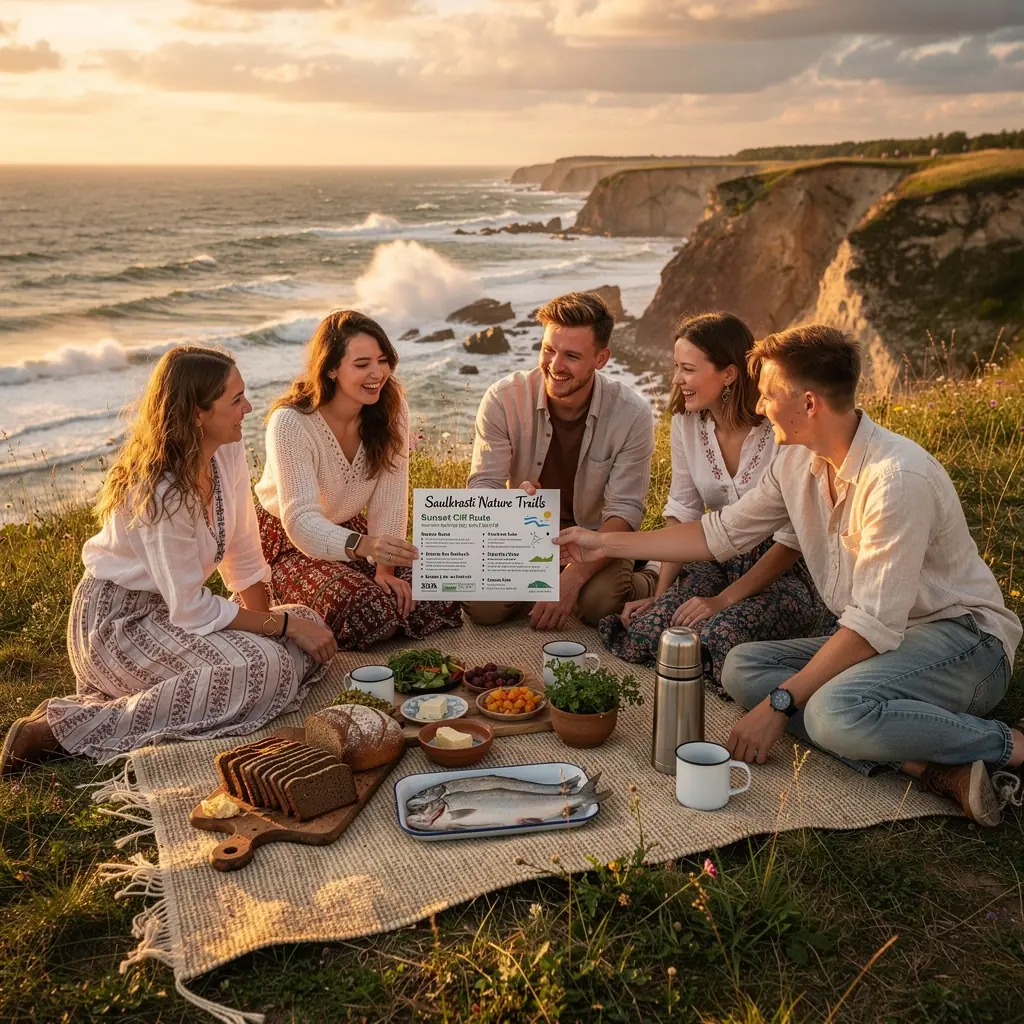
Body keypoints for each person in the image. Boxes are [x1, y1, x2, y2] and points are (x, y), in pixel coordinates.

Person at [556, 325, 1023, 826]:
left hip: (964, 644)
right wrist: (601, 541)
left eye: (770, 395)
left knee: (827, 713)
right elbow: (720, 534)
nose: (758, 407)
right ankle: (926, 764)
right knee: (739, 669)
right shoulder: (800, 461)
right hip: (888, 642)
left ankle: (1010, 745)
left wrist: (781, 704)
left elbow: (871, 626)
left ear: (809, 403)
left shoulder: (895, 480)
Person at [1, 346, 336, 774]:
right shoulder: (160, 489)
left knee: (307, 627)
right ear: (197, 413)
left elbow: (244, 553)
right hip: (117, 627)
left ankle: (182, 689)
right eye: (236, 400)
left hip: (171, 616)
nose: (248, 408)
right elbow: (193, 608)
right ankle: (61, 730)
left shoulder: (224, 449)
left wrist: (275, 630)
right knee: (267, 663)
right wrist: (282, 631)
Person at [599, 313, 827, 695]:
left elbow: (792, 541)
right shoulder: (686, 425)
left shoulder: (779, 431)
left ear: (729, 374)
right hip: (715, 557)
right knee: (653, 630)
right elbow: (682, 514)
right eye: (676, 367)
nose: (676, 379)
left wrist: (723, 600)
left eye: (688, 369)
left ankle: (805, 643)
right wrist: (659, 593)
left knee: (717, 633)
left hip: (784, 571)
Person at [255, 309, 461, 650]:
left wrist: (386, 570)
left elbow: (390, 500)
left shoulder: (391, 409)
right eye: (362, 364)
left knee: (442, 588)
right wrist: (365, 547)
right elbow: (302, 521)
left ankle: (375, 598)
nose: (377, 373)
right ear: (332, 368)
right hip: (289, 541)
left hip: (354, 532)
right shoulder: (291, 422)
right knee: (369, 611)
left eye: (382, 360)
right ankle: (279, 590)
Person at [464, 291, 657, 630]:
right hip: (523, 535)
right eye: (548, 350)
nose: (555, 366)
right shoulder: (503, 398)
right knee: (482, 607)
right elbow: (483, 487)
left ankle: (651, 571)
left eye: (571, 356)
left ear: (601, 358)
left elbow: (624, 510)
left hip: (596, 541)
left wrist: (574, 577)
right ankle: (539, 580)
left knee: (599, 605)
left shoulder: (633, 414)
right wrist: (510, 505)